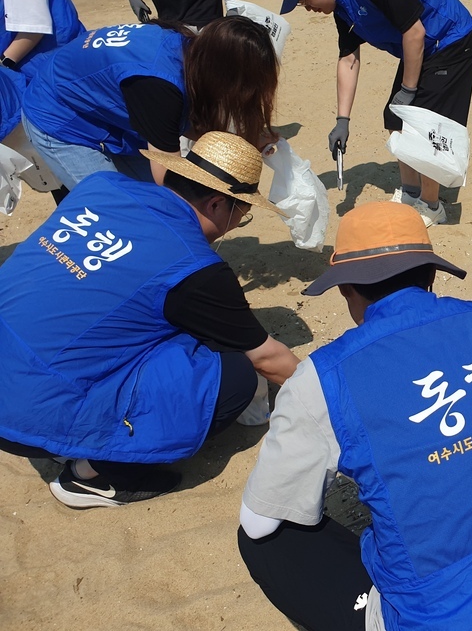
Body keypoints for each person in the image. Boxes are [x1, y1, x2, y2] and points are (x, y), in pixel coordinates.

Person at [238, 201, 472, 631]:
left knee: (262, 539)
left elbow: (259, 521)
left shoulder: (324, 376)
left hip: (446, 619)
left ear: (345, 289)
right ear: (431, 274)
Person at [0, 131, 300, 508]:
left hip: (11, 368)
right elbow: (267, 359)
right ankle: (92, 473)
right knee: (236, 377)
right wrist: (335, 397)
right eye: (242, 212)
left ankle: (66, 437)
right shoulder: (195, 267)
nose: (238, 221)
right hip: (27, 412)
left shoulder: (100, 186)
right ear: (217, 204)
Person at [272, 0, 472, 228]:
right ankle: (410, 194)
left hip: (452, 40)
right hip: (421, 48)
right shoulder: (341, 6)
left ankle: (432, 206)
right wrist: (342, 121)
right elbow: (348, 58)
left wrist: (408, 92)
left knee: (425, 123)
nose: (307, 7)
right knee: (395, 117)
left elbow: (415, 31)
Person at [21, 16, 279, 189]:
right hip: (58, 115)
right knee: (118, 211)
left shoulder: (191, 50)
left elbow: (187, 125)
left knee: (149, 202)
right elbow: (167, 175)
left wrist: (245, 141)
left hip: (100, 104)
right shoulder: (159, 86)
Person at [0, 0, 84, 200]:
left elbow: (34, 27)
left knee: (70, 177)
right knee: (52, 175)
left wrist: (4, 63)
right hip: (23, 79)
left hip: (47, 76)